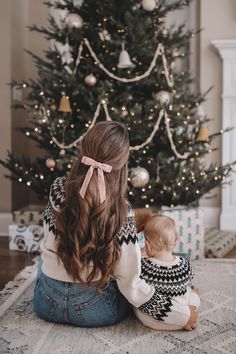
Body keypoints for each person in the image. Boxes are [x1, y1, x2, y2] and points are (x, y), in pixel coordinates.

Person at [33, 121, 198, 329]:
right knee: (130, 276)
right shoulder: (121, 211)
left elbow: (49, 243)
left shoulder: (57, 189)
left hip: (46, 303)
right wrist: (181, 315)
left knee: (43, 261)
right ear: (121, 163)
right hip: (95, 311)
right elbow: (132, 285)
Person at [134, 215, 200, 330]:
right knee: (191, 291)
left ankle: (186, 314)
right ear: (176, 241)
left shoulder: (143, 265)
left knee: (136, 299)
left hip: (153, 320)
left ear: (148, 246)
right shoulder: (185, 264)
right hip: (181, 318)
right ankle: (191, 309)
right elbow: (189, 280)